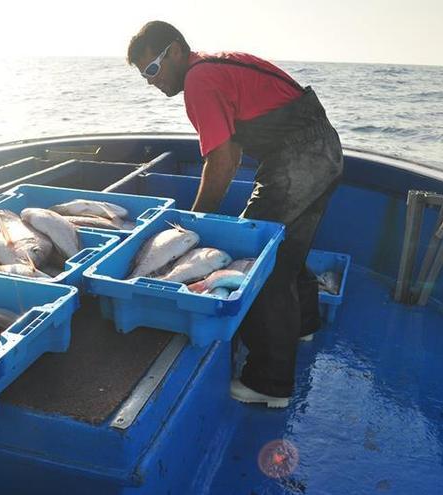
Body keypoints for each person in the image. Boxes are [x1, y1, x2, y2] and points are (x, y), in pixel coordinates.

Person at [127, 21, 343, 408]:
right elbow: (235, 150)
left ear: (175, 51)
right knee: (289, 249)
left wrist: (194, 224)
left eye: (153, 70)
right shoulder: (215, 66)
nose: (151, 82)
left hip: (298, 159)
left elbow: (223, 159)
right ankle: (304, 327)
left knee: (261, 263)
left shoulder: (198, 80)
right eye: (144, 76)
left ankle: (270, 383)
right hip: (324, 151)